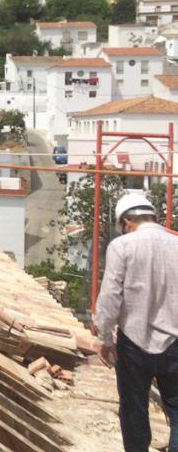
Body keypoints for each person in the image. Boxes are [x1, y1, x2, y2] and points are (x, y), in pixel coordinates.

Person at [94, 192, 178, 452]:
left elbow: (110, 297)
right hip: (174, 344)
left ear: (127, 222)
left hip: (133, 345)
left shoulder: (122, 246)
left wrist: (104, 339)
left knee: (133, 410)